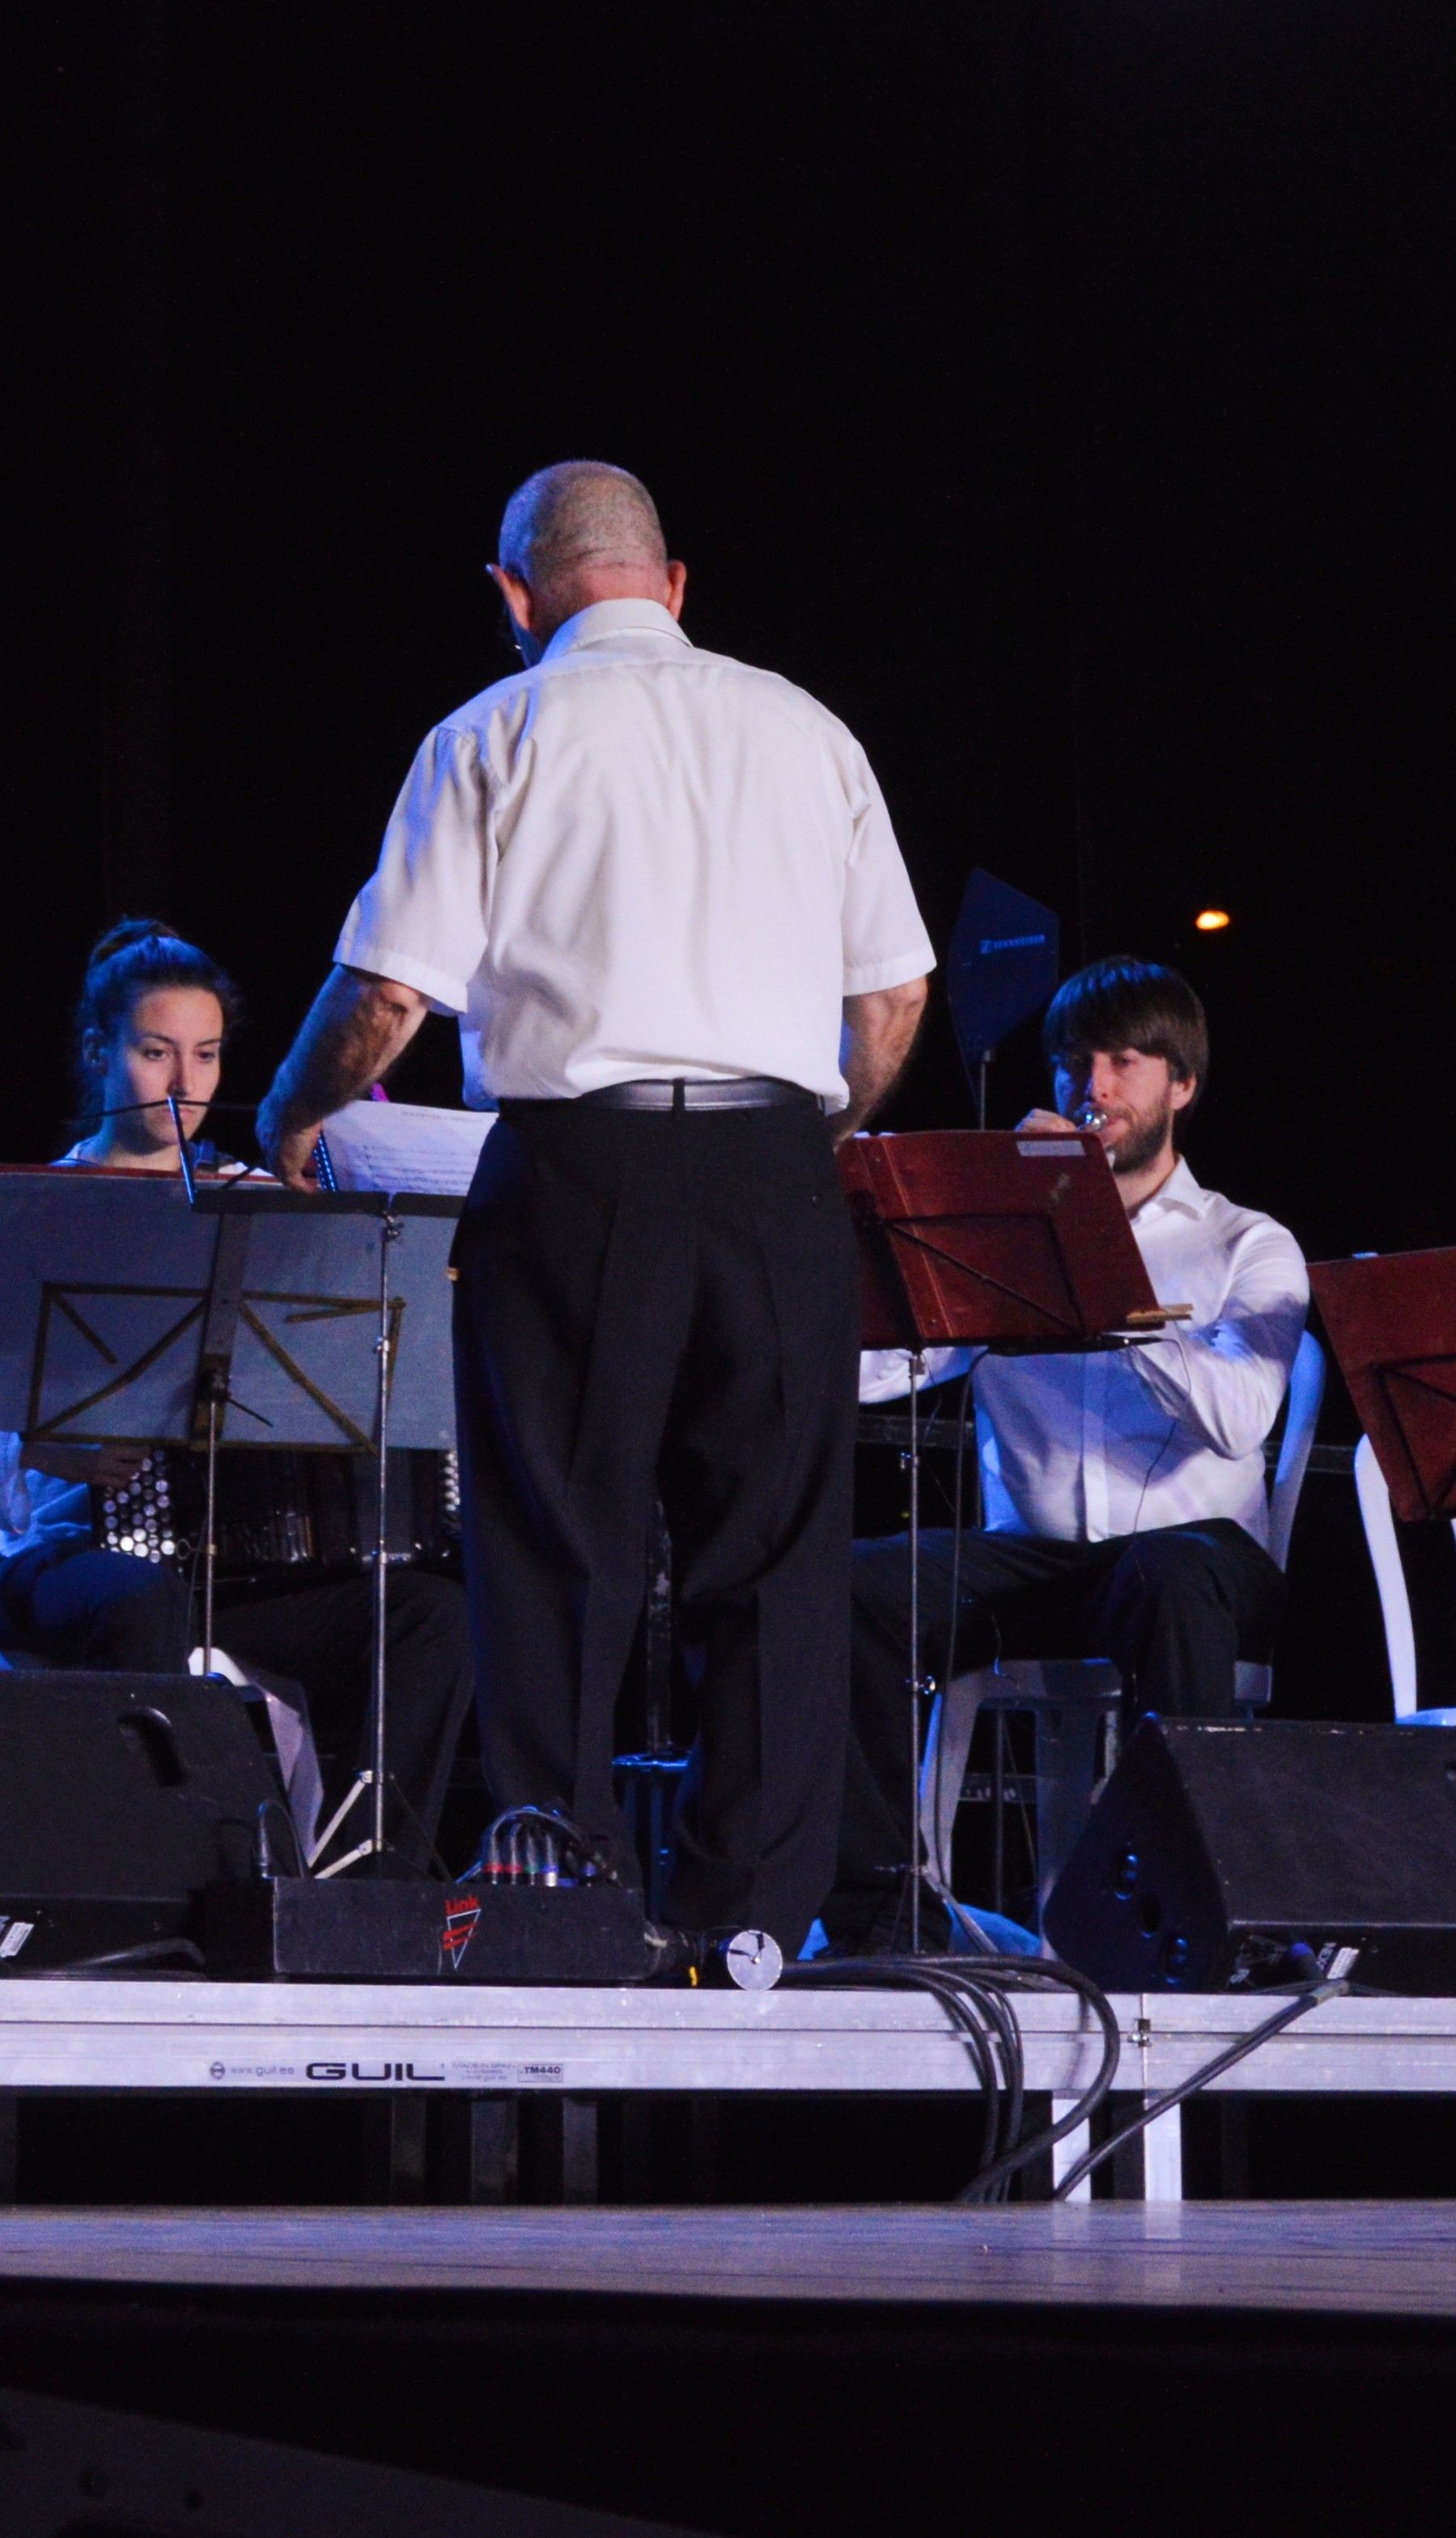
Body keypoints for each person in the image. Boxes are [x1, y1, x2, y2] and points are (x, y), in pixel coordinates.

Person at [257, 463, 932, 1952]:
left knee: (558, 1536)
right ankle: (746, 1925)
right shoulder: (806, 727)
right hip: (772, 1170)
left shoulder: (496, 728)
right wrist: (807, 1128)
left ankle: (563, 1892)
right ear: (671, 583)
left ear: (514, 597)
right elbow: (892, 994)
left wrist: (293, 1108)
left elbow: (385, 992)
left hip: (578, 1167)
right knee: (774, 1550)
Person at [0, 922, 474, 1865]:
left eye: (206, 1053)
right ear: (100, 1054)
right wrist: (30, 1447)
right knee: (143, 1602)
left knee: (431, 1615)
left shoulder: (260, 1199)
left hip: (241, 1570)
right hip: (63, 1560)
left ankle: (374, 1883)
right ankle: (176, 1870)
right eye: (155, 1052)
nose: (185, 1080)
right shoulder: (43, 1203)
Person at [826, 956, 1309, 1949]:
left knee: (1171, 1573)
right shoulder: (998, 1236)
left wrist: (1097, 1266)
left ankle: (1188, 1913)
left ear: (1181, 1084)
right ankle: (881, 1911)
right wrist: (914, 1251)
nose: (1089, 1089)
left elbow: (1242, 1414)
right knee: (851, 1590)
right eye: (1071, 1062)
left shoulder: (1247, 1242)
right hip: (1043, 1562)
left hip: (1201, 1562)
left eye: (1123, 1062)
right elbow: (882, 1375)